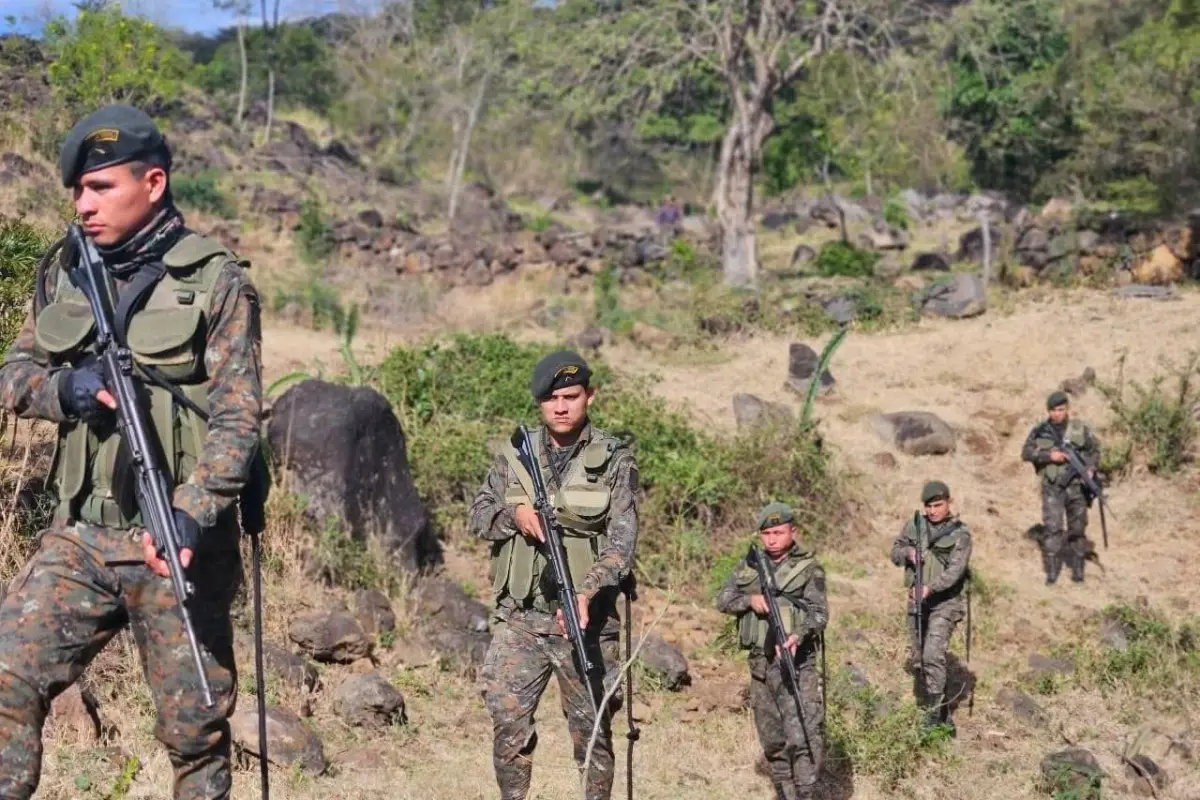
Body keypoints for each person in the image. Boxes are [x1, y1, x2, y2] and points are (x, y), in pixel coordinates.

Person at [0, 104, 263, 799]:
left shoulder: (215, 281)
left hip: (177, 540)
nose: (83, 204)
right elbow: (13, 376)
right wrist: (65, 389)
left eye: (101, 188)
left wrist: (193, 511)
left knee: (195, 728)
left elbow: (239, 423)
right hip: (81, 535)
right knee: (5, 677)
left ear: (153, 182)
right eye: (78, 191)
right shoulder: (66, 272)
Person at [469, 350, 639, 800]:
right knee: (508, 726)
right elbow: (478, 515)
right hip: (520, 621)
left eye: (570, 396)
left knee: (593, 736)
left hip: (586, 621)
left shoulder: (616, 462)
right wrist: (515, 514)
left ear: (590, 396)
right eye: (550, 399)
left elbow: (622, 547)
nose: (561, 407)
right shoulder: (514, 456)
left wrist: (583, 593)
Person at [716, 502, 827, 800]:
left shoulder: (809, 568)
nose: (772, 539)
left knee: (803, 735)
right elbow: (723, 598)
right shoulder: (750, 565)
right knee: (773, 739)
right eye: (766, 533)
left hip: (796, 665)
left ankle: (805, 795)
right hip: (760, 666)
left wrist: (797, 635)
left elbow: (819, 615)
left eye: (778, 532)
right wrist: (750, 601)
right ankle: (784, 793)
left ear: (793, 531)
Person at [889, 481, 971, 733]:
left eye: (939, 505)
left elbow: (955, 572)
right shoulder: (915, 525)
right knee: (919, 659)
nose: (934, 510)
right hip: (916, 602)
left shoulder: (961, 534)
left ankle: (933, 719)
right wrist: (909, 554)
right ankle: (942, 709)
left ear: (949, 503)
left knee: (932, 653)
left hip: (945, 603)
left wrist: (929, 588)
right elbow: (894, 552)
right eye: (929, 506)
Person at [1021, 391, 1101, 584]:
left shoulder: (1079, 430)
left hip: (1076, 488)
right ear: (1048, 411)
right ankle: (1051, 574)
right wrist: (1049, 456)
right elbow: (1026, 452)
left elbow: (1094, 450)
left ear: (1067, 409)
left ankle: (1078, 573)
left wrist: (1090, 468)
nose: (1057, 414)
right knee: (1053, 528)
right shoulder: (1041, 430)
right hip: (1053, 488)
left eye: (1061, 409)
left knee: (1078, 528)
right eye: (1053, 410)